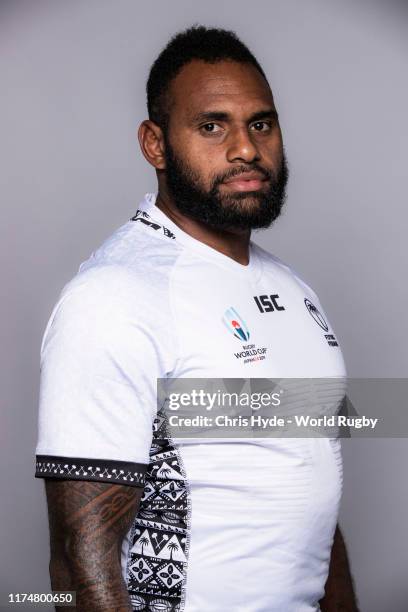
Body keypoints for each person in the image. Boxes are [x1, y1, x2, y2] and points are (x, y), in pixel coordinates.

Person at [35, 25, 359, 612]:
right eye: (212, 125)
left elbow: (314, 499)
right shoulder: (117, 294)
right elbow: (81, 557)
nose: (245, 149)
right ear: (154, 145)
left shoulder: (292, 289)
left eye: (260, 123)